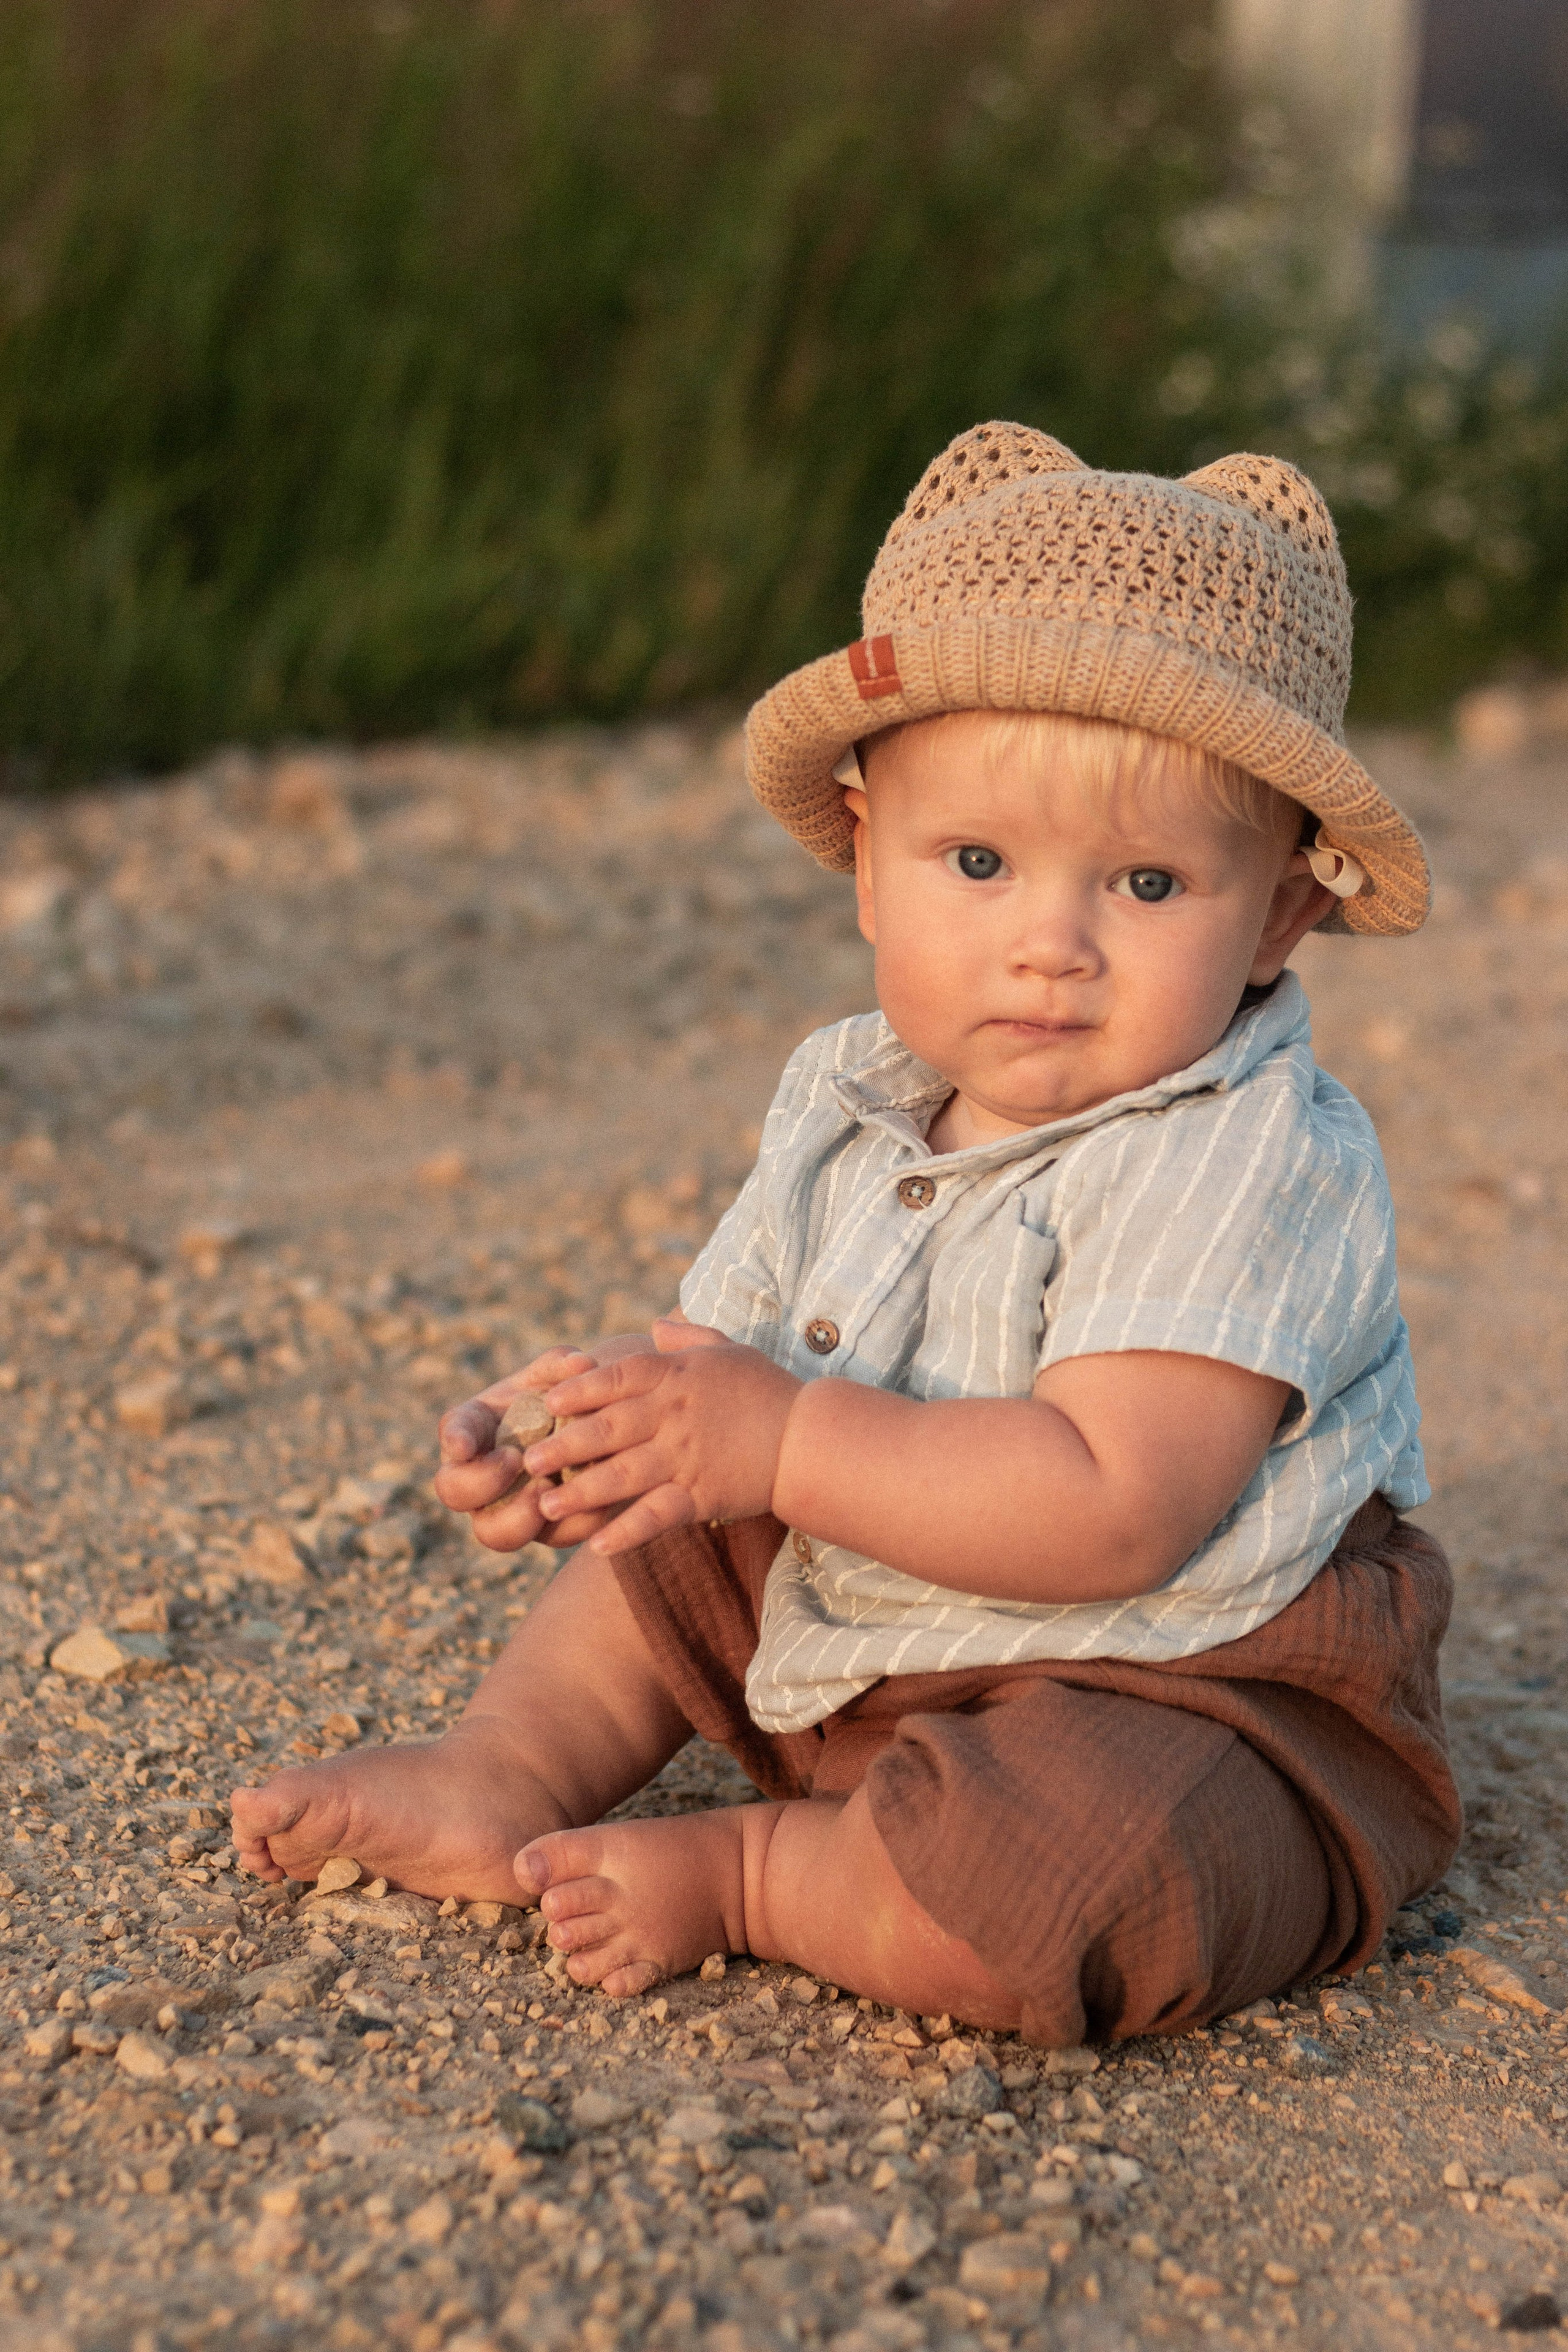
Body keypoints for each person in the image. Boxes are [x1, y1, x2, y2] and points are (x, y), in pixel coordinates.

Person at [232, 424, 1460, 2045]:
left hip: (1180, 1667)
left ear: (1281, 916)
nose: (1054, 947)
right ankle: (502, 1771)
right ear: (868, 858)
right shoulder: (850, 1094)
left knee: (1103, 1877)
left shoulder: (1243, 1154)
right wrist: (578, 1437)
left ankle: (762, 1875)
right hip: (881, 1615)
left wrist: (787, 1443)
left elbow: (1117, 1515)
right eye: (977, 862)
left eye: (1149, 885)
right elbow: (723, 1380)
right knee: (678, 1496)